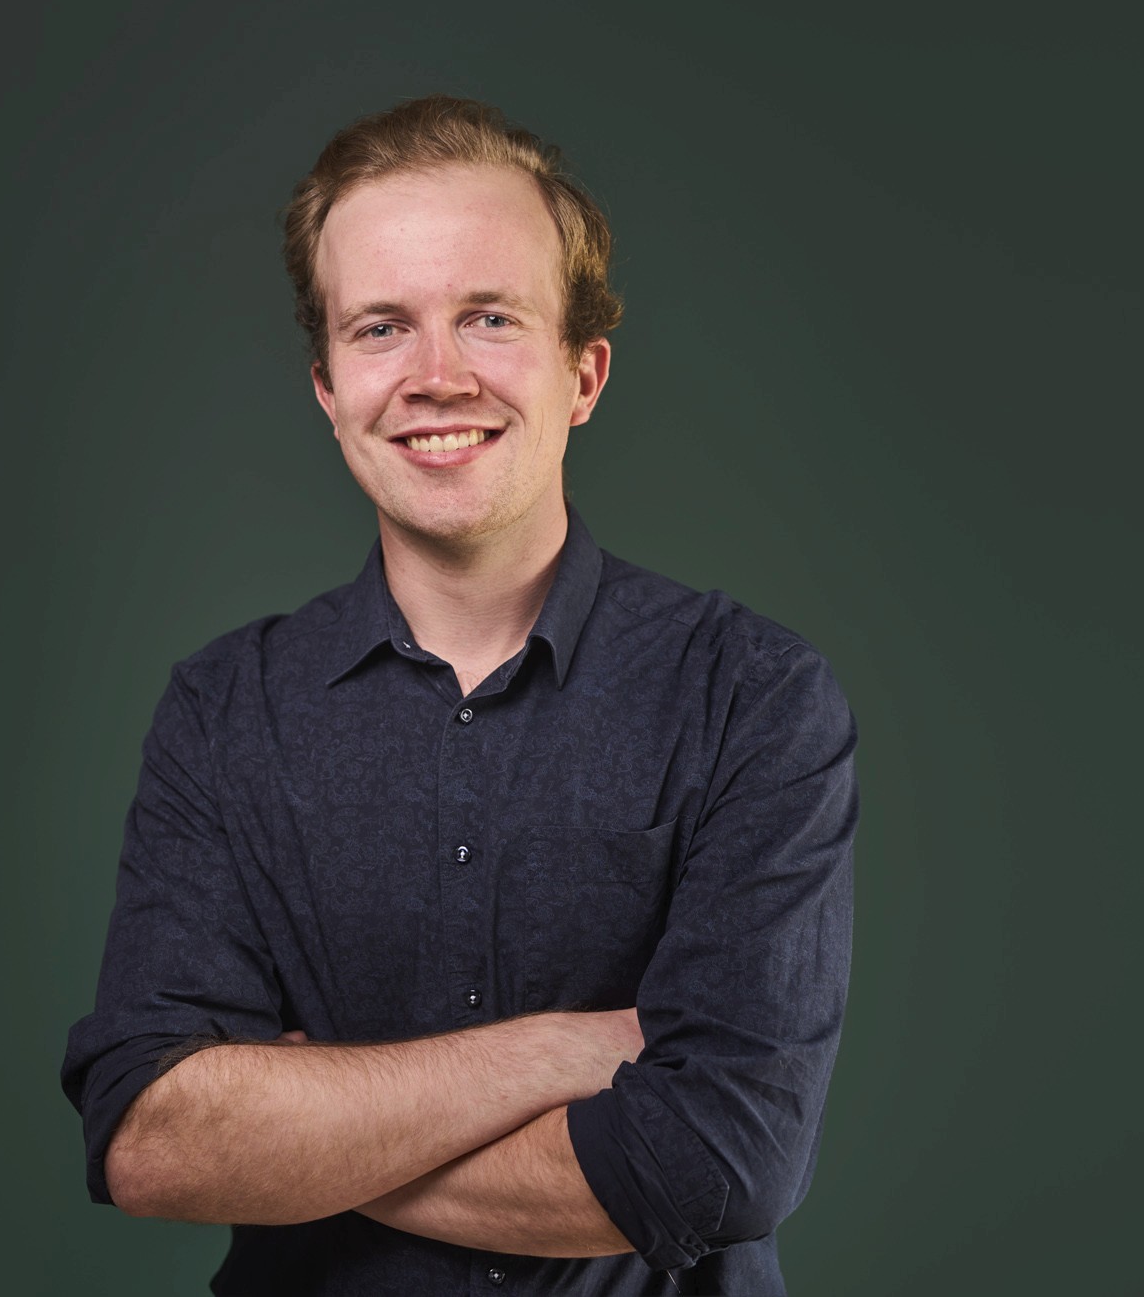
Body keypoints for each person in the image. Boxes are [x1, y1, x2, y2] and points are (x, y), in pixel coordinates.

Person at [60, 95, 858, 1296]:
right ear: (327, 388)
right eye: (380, 327)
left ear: (581, 373)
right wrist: (558, 1053)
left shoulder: (750, 697)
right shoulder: (225, 710)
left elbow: (715, 1164)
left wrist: (297, 1128)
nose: (434, 377)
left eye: (487, 317)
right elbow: (151, 1142)